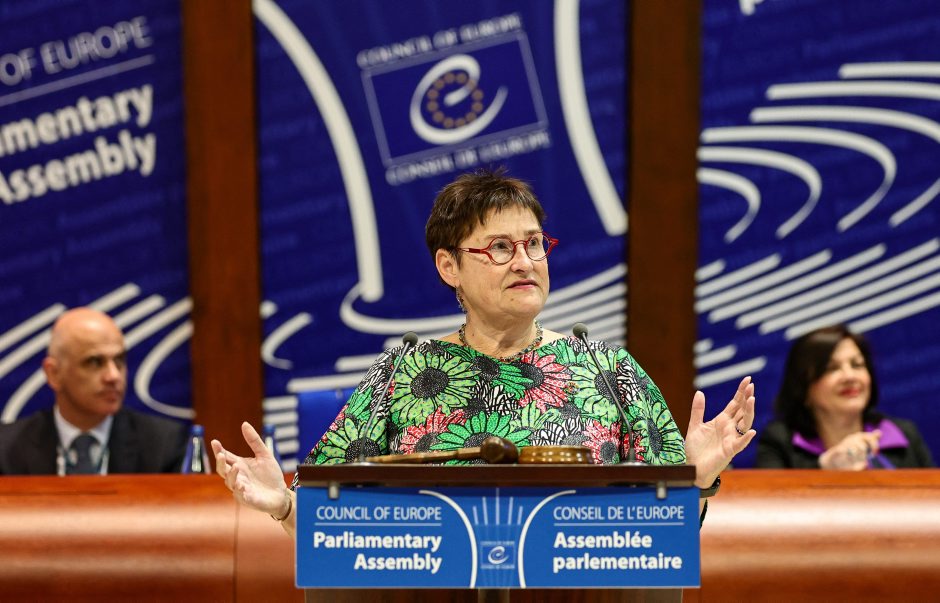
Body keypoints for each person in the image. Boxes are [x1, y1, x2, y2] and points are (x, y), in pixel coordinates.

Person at [211, 168, 757, 535]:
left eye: (534, 243)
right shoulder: (405, 372)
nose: (525, 261)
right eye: (499, 247)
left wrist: (695, 479)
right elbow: (332, 525)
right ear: (449, 266)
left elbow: (666, 535)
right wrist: (283, 504)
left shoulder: (609, 370)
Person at [0, 307, 188, 475]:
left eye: (119, 360)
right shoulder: (6, 449)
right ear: (54, 373)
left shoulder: (165, 446)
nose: (113, 376)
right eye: (94, 362)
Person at [756, 324, 934, 469]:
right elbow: (770, 500)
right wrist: (824, 470)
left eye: (857, 365)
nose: (850, 376)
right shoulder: (779, 443)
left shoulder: (903, 433)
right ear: (803, 387)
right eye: (832, 368)